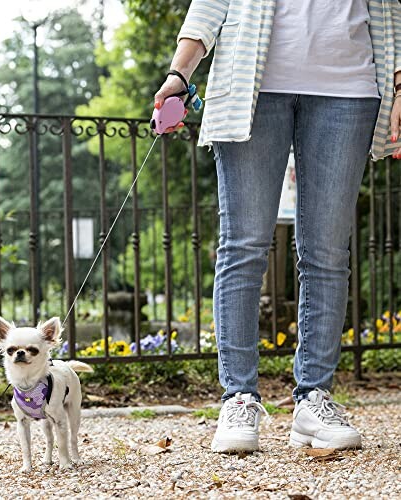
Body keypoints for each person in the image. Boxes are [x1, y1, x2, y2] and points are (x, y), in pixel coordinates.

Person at [154, 0, 401, 453]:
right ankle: (239, 398)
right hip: (250, 84)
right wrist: (179, 74)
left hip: (349, 88)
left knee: (327, 253)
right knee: (243, 247)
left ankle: (313, 400)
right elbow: (210, 5)